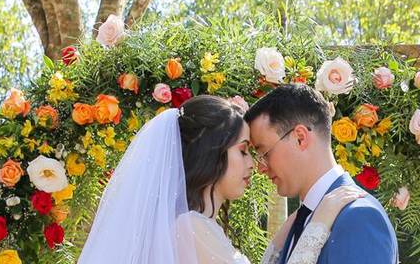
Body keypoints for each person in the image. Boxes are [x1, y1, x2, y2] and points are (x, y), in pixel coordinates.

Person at [78, 94, 361, 263]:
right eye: (244, 151)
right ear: (213, 153)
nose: (254, 164)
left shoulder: (196, 226)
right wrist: (321, 220)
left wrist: (289, 230)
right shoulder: (190, 228)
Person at [245, 84, 399, 264]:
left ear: (300, 138)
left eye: (264, 153)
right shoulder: (299, 220)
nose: (260, 168)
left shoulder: (359, 217)